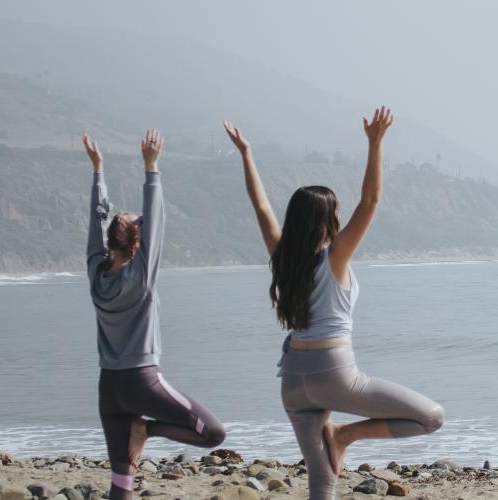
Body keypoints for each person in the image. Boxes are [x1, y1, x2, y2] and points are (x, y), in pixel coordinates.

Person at [224, 108, 444, 500]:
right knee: (430, 418)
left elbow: (260, 208)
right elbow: (371, 201)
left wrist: (246, 154)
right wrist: (375, 144)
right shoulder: (335, 257)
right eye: (337, 212)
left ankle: (341, 438)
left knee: (322, 481)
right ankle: (347, 433)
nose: (342, 217)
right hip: (334, 375)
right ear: (328, 219)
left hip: (292, 383)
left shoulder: (283, 259)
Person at [84, 131, 226, 500]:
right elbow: (156, 221)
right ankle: (145, 431)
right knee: (213, 434)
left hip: (109, 390)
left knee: (121, 484)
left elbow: (95, 225)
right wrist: (152, 168)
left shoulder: (95, 274)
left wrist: (99, 173)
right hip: (142, 383)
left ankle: (138, 433)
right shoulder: (141, 277)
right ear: (136, 242)